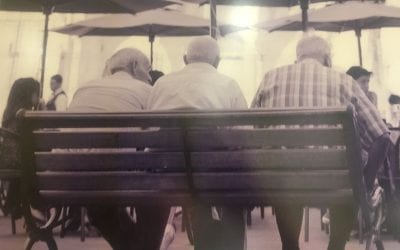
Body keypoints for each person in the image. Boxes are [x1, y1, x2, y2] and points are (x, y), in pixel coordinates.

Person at [251, 35, 391, 250]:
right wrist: (364, 183)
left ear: (297, 59)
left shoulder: (270, 78)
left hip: (284, 183)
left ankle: (290, 245)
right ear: (327, 59)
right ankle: (335, 246)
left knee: (286, 173)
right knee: (349, 179)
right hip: (334, 182)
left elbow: (253, 133)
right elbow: (382, 137)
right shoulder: (343, 81)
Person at [147, 36, 248, 250]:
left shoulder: (161, 83)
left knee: (196, 189)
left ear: (185, 59)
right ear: (218, 61)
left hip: (168, 174)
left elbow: (148, 131)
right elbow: (243, 135)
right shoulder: (228, 84)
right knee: (229, 186)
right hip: (213, 175)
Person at [68, 48, 169, 250]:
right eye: (148, 70)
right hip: (121, 176)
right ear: (133, 66)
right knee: (160, 188)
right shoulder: (147, 91)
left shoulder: (83, 89)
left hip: (72, 180)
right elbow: (158, 138)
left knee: (100, 201)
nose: (150, 76)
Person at [1, 78, 40, 216]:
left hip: (7, 158)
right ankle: (36, 206)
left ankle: (14, 204)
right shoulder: (25, 113)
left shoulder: (10, 111)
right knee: (44, 163)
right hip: (19, 160)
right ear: (28, 94)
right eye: (37, 93)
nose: (39, 96)